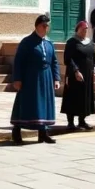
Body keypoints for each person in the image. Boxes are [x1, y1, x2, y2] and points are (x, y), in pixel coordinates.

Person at [11, 15, 61, 144]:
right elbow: (19, 61)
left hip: (46, 77)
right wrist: (17, 79)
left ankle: (43, 133)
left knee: (44, 105)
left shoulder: (49, 43)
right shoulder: (27, 42)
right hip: (30, 78)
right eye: (44, 26)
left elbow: (54, 61)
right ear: (37, 26)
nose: (46, 28)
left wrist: (56, 78)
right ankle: (17, 131)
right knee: (27, 104)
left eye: (47, 26)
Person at [61, 21, 95, 131]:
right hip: (74, 75)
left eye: (86, 30)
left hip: (87, 75)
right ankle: (70, 122)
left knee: (85, 98)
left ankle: (82, 121)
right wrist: (76, 71)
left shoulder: (90, 43)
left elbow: (94, 57)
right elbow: (68, 59)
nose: (84, 31)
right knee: (73, 97)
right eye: (82, 29)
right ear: (77, 30)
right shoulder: (72, 42)